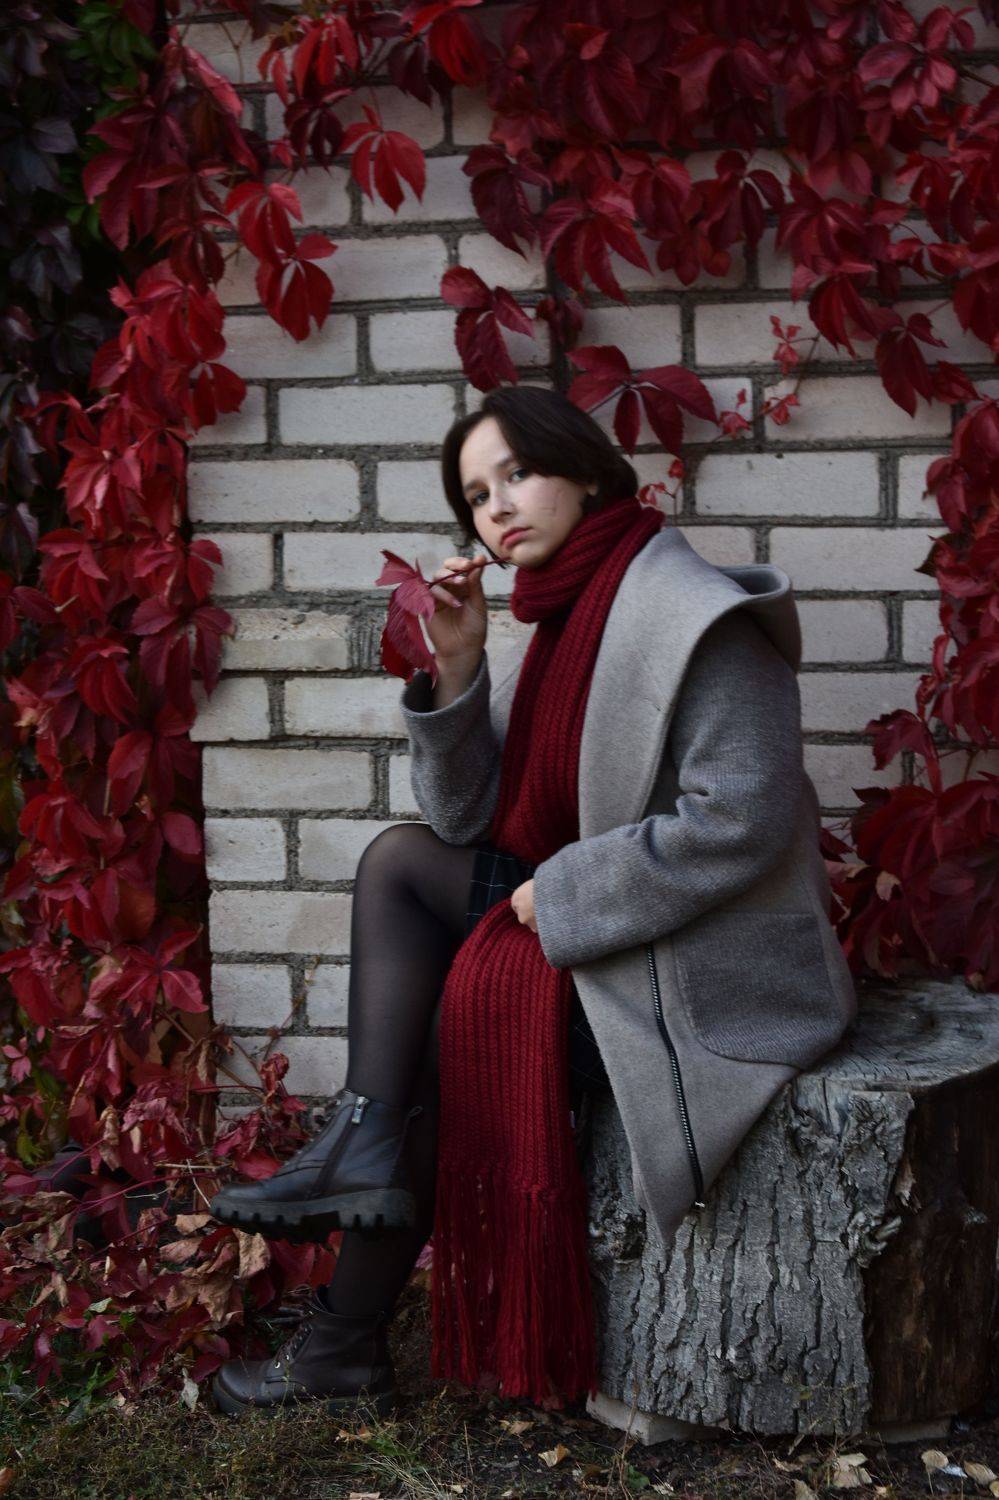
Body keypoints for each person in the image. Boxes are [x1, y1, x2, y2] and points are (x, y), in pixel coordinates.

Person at [207, 386, 857, 1418]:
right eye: (476, 495)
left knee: (442, 1035)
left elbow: (740, 820)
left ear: (588, 472)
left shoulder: (695, 619)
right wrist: (459, 667)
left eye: (518, 474)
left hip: (707, 973)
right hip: (630, 936)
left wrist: (560, 892)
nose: (497, 508)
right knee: (401, 869)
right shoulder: (559, 621)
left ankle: (342, 1329)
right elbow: (465, 819)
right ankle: (360, 1175)